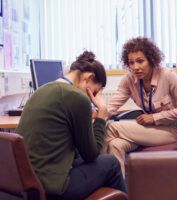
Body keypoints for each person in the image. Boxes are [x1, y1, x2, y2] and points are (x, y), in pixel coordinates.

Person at [16, 51, 126, 200]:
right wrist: (101, 116)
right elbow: (91, 154)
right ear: (89, 78)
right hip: (51, 189)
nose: (92, 98)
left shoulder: (42, 90)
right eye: (94, 92)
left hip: (26, 184)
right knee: (111, 163)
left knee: (84, 158)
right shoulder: (77, 97)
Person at [104, 37, 177, 176]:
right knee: (115, 145)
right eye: (131, 63)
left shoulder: (167, 76)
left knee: (111, 128)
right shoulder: (129, 80)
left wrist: (155, 117)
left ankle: (96, 178)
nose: (135, 67)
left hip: (170, 131)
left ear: (151, 60)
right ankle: (120, 191)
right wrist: (98, 113)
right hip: (147, 131)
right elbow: (113, 105)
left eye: (140, 61)